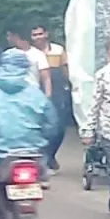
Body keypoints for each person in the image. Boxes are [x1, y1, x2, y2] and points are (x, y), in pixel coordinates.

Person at [80, 38, 110, 218]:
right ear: (108, 53)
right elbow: (95, 103)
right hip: (109, 128)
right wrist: (88, 130)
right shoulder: (103, 75)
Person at [0, 49, 59, 163]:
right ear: (26, 68)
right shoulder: (37, 95)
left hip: (1, 154)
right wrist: (41, 141)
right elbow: (53, 125)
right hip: (33, 151)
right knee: (42, 175)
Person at [31, 25, 70, 171]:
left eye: (40, 33)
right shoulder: (31, 53)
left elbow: (66, 69)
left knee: (59, 128)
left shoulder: (58, 50)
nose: (38, 37)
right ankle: (44, 158)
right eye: (35, 35)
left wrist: (69, 86)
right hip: (38, 90)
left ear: (46, 34)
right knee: (41, 126)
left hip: (59, 91)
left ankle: (51, 154)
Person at [6, 24, 52, 98]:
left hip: (32, 94)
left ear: (15, 36)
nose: (8, 38)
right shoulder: (8, 54)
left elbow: (46, 78)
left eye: (9, 36)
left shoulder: (38, 54)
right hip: (13, 95)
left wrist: (48, 96)